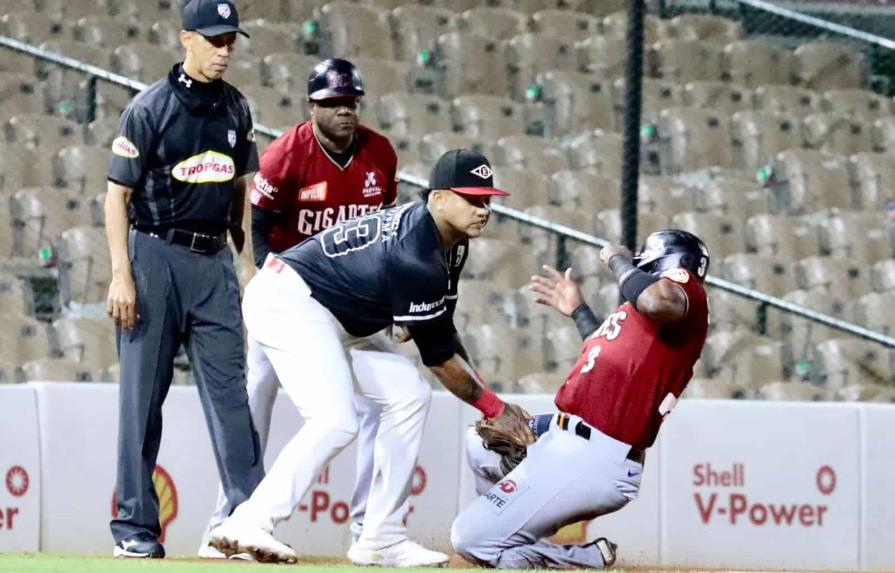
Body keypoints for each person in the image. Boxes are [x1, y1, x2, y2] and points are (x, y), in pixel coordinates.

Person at [208, 149, 535, 565]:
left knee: (409, 395)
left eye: (487, 199)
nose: (483, 209)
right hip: (289, 301)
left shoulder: (449, 244)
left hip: (334, 317)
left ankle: (382, 536)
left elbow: (443, 330)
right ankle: (249, 522)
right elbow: (437, 358)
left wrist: (487, 401)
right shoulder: (416, 254)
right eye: (472, 198)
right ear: (437, 198)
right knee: (334, 419)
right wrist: (495, 406)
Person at [199, 57, 411, 559]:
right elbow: (259, 222)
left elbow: (385, 234)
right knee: (256, 401)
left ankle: (368, 529)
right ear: (311, 106)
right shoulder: (285, 155)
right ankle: (225, 523)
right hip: (293, 298)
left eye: (351, 102)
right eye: (333, 103)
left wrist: (395, 304)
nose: (344, 111)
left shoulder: (379, 154)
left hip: (352, 306)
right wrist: (262, 280)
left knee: (394, 396)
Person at [104, 0, 263, 559]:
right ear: (185, 39)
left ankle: (247, 522)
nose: (225, 50)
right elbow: (116, 195)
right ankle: (134, 528)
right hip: (154, 257)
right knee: (142, 399)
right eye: (215, 40)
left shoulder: (237, 108)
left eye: (231, 41)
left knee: (230, 398)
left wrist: (245, 265)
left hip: (214, 261)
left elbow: (242, 186)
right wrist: (121, 274)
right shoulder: (148, 108)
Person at [451, 229, 711, 569]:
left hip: (596, 455)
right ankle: (510, 541)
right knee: (480, 441)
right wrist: (578, 310)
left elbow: (657, 300)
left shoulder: (681, 290)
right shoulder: (649, 322)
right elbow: (605, 349)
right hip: (565, 435)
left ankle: (580, 559)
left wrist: (617, 259)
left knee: (468, 540)